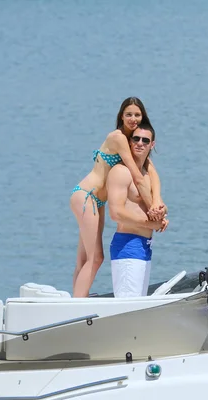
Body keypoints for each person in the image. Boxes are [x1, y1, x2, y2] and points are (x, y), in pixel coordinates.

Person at [70, 97, 166, 298]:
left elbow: (152, 171)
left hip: (97, 201)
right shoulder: (120, 138)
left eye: (137, 115)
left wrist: (157, 201)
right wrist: (154, 214)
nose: (133, 119)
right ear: (121, 116)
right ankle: (78, 304)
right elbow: (138, 178)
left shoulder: (134, 140)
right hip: (87, 196)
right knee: (95, 258)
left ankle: (77, 298)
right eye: (128, 114)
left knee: (84, 258)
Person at [107, 124, 168, 297]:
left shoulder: (147, 175)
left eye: (145, 140)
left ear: (152, 145)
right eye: (136, 139)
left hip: (144, 246)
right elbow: (116, 213)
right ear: (129, 142)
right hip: (128, 245)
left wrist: (162, 214)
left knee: (136, 301)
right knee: (128, 305)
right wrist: (151, 223)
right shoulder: (121, 172)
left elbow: (160, 205)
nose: (140, 143)